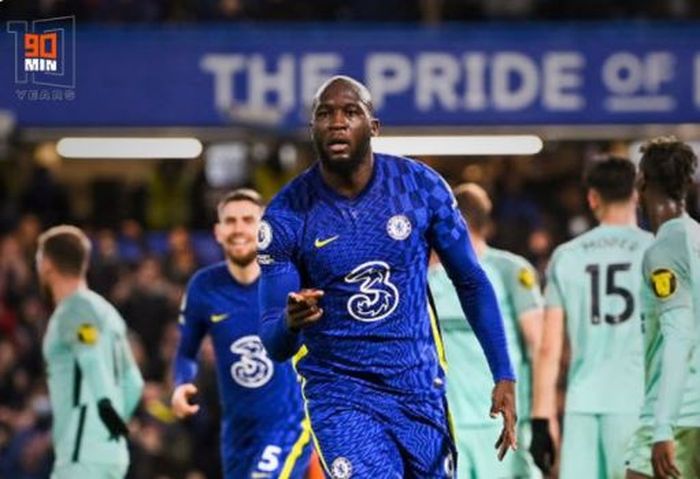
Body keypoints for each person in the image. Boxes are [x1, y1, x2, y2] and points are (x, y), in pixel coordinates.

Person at [257, 75, 516, 478]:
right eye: (325, 114)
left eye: (350, 112)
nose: (337, 122)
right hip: (342, 395)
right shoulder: (287, 215)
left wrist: (503, 371)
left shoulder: (420, 188)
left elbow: (471, 281)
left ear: (373, 127)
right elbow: (273, 343)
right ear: (313, 129)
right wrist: (291, 324)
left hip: (417, 389)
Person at [171, 189, 312, 479]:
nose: (238, 229)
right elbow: (186, 350)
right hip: (235, 433)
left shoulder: (290, 279)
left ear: (263, 229)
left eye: (248, 220)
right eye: (230, 221)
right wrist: (181, 383)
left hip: (288, 423)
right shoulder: (203, 286)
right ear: (218, 232)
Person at [531, 156, 653, 478]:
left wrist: (542, 418)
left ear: (593, 198)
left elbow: (549, 347)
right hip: (637, 403)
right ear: (637, 194)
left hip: (582, 403)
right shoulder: (655, 251)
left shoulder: (566, 256)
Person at [429, 183, 544, 479]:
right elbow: (537, 342)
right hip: (496, 418)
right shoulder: (512, 269)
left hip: (457, 420)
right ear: (487, 221)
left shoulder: (506, 270)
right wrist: (545, 413)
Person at [38, 225, 144, 479]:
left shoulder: (74, 310)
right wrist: (112, 432)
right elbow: (134, 383)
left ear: (46, 264)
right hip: (109, 456)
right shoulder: (108, 312)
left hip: (81, 456)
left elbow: (90, 356)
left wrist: (106, 418)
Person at [625, 137, 700, 479]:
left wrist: (662, 428)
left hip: (679, 415)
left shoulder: (665, 249)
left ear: (641, 183)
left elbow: (679, 336)